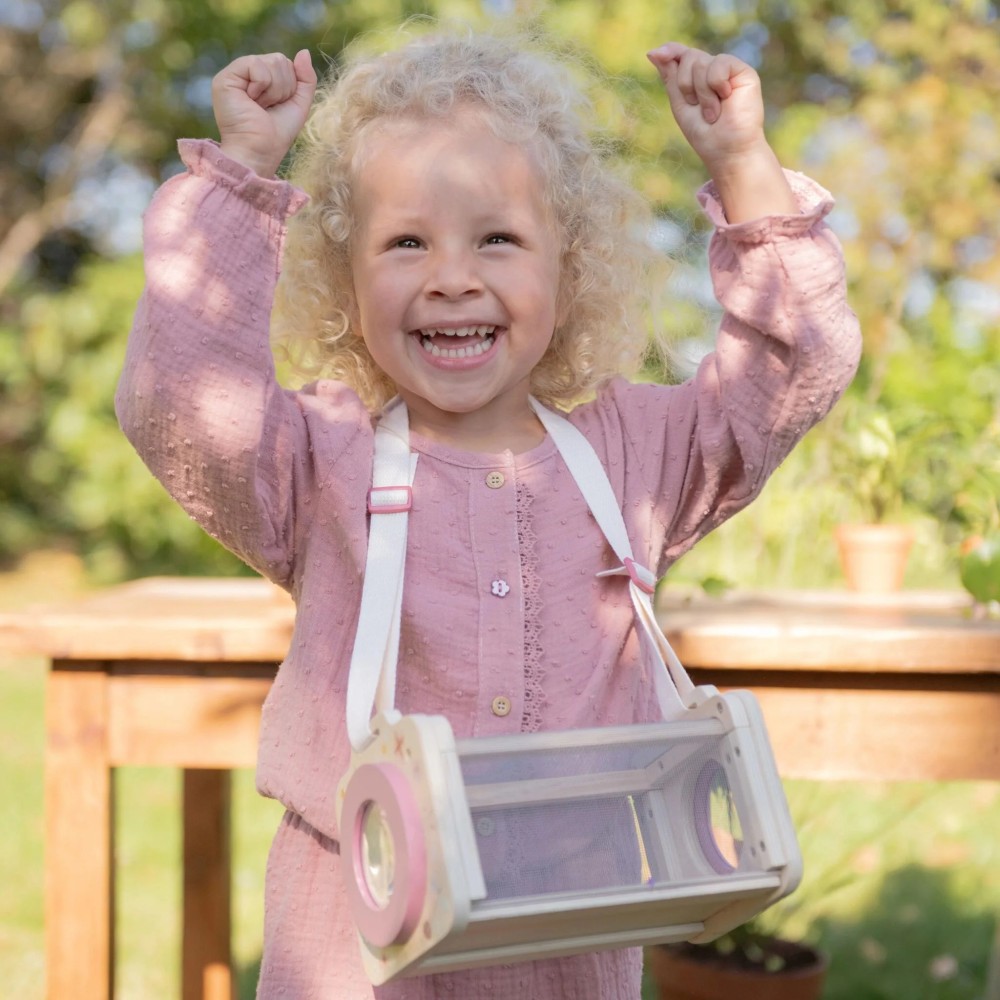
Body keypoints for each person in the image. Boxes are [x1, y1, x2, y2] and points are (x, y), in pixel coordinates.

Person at [116, 23, 860, 1000]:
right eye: (405, 241)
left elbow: (795, 361)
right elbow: (183, 397)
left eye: (497, 238)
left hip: (571, 949)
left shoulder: (633, 455)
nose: (452, 275)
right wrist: (243, 174)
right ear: (346, 278)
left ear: (569, 263)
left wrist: (742, 163)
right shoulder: (318, 462)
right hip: (361, 944)